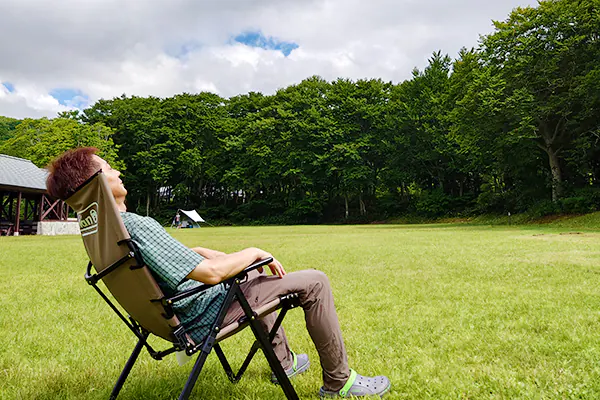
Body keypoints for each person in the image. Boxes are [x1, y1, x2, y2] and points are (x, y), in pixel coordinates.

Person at [46, 147, 391, 398]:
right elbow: (211, 275)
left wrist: (201, 252)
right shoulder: (137, 224)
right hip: (203, 315)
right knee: (315, 281)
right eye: (109, 168)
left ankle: (284, 363)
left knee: (249, 274)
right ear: (97, 183)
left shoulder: (105, 233)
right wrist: (254, 250)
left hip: (169, 319)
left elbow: (156, 266)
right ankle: (339, 383)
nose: (118, 171)